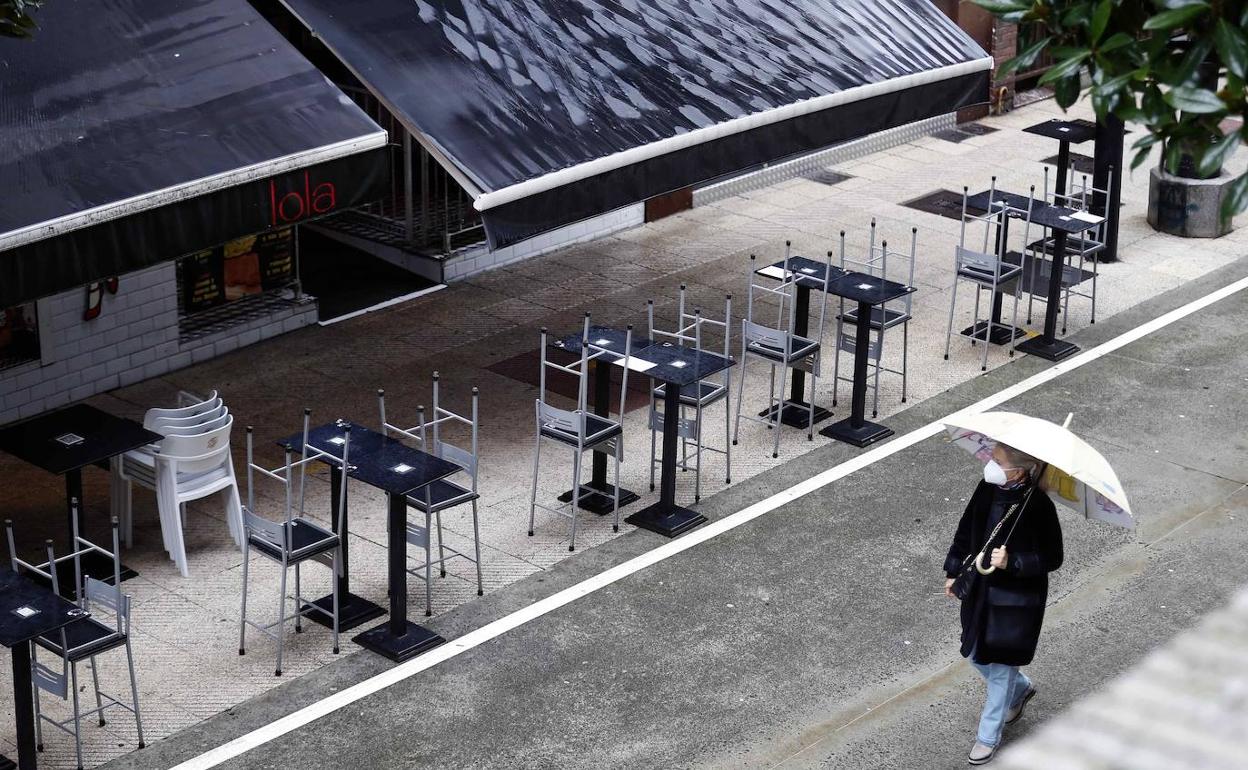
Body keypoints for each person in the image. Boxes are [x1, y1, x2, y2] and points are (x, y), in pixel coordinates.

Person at [944, 442, 1063, 765]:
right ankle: (1021, 687)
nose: (989, 464)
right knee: (974, 654)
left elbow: (1053, 558)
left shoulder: (1038, 507)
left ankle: (987, 737)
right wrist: (954, 571)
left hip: (1015, 603)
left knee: (999, 668)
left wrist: (1012, 561)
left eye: (997, 460)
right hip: (981, 590)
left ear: (1019, 470)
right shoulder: (986, 489)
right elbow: (965, 531)